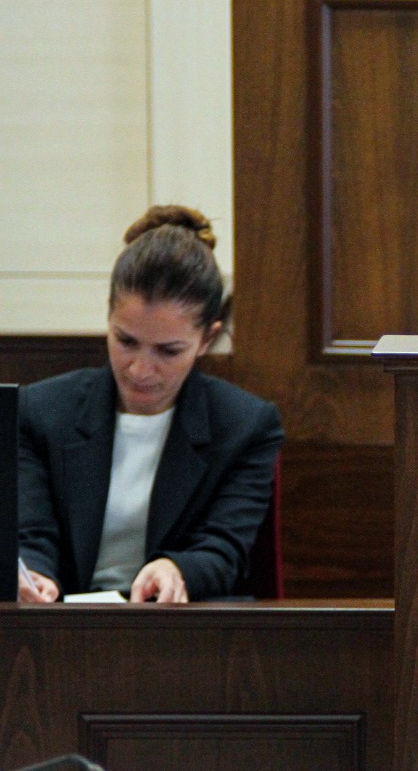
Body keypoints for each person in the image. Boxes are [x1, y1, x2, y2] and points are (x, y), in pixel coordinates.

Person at [17, 207, 284, 603]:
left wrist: (178, 569)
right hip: (65, 618)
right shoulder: (39, 412)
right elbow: (31, 535)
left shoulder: (246, 425)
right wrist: (35, 575)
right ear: (108, 317)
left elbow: (224, 547)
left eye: (168, 351)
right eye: (126, 341)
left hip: (178, 621)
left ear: (207, 340)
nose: (141, 369)